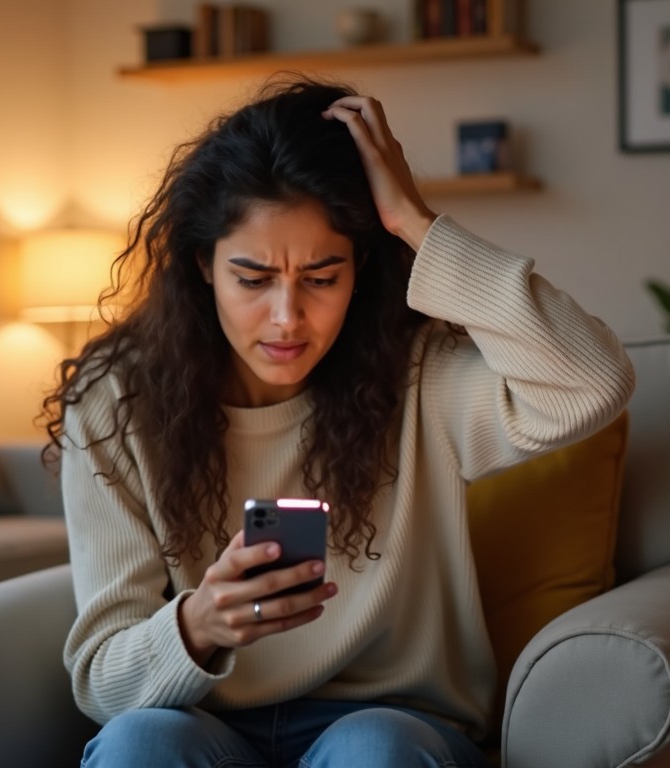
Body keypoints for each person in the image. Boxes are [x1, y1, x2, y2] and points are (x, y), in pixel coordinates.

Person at [42, 77, 635, 768]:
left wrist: (416, 222)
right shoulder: (117, 400)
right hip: (207, 731)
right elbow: (103, 681)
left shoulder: (419, 378)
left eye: (322, 277)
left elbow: (593, 382)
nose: (288, 317)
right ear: (203, 265)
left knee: (371, 750)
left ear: (360, 268)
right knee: (139, 744)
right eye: (254, 278)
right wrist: (197, 624)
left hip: (395, 726)